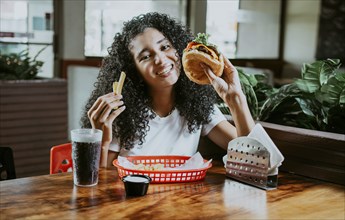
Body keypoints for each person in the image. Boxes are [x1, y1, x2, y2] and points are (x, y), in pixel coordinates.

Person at [80, 12, 255, 168]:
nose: (161, 59)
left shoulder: (198, 107)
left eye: (165, 47)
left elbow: (253, 158)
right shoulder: (120, 114)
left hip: (182, 202)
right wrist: (100, 137)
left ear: (179, 49)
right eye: (146, 56)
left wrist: (236, 100)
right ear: (135, 71)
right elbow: (100, 183)